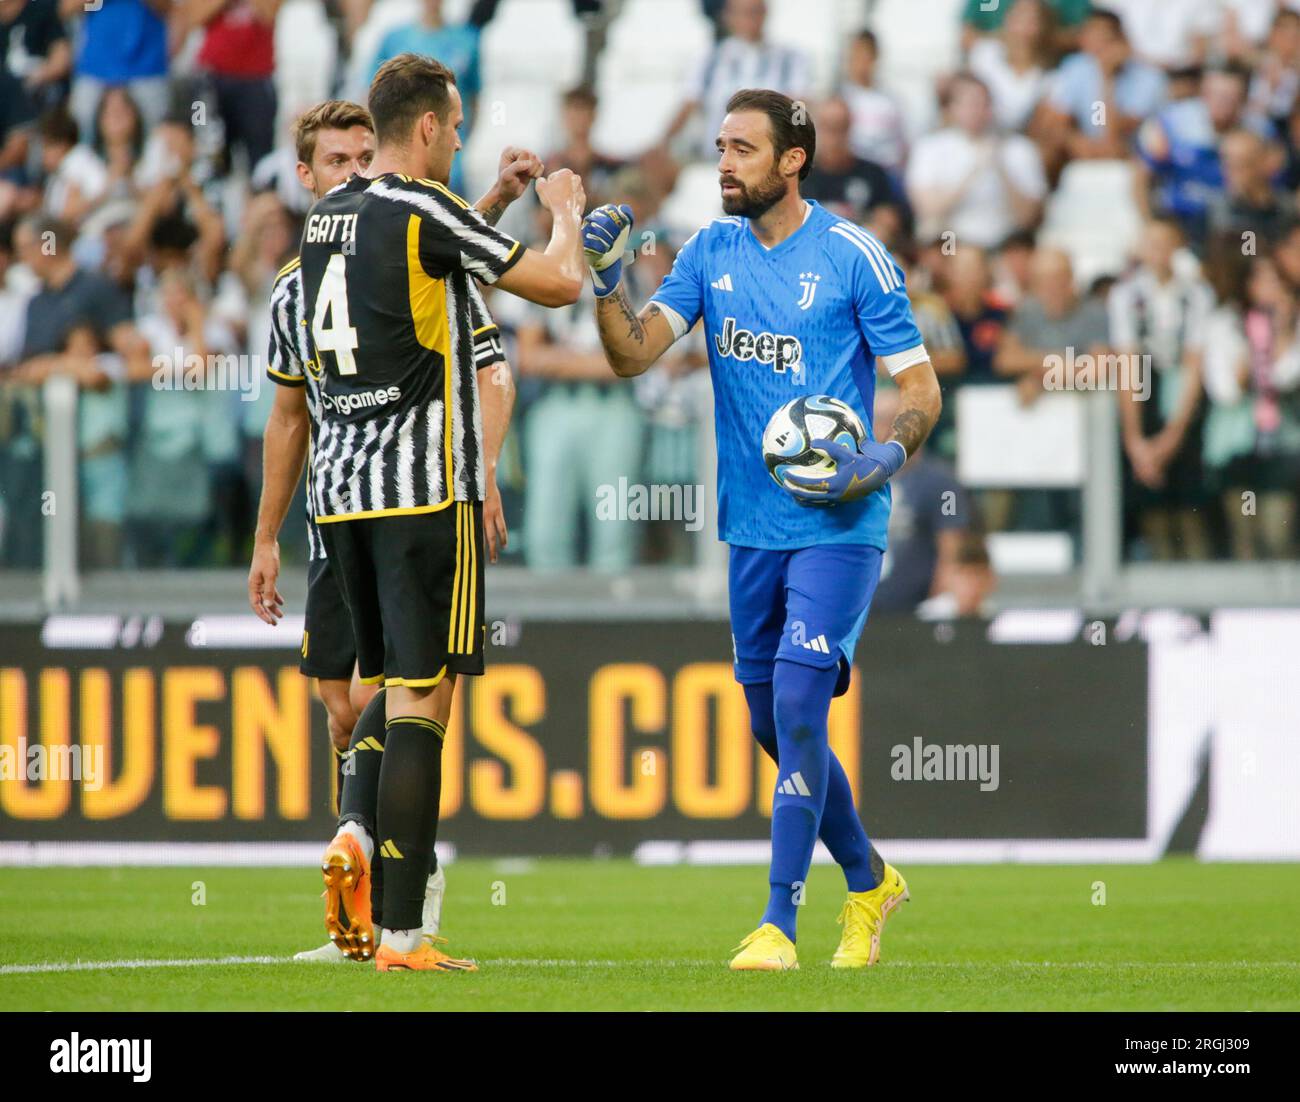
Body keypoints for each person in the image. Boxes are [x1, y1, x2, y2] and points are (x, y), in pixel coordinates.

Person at [582, 88, 941, 970]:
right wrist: (605, 281)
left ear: (792, 160)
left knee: (795, 704)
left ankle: (778, 922)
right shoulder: (709, 252)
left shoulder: (856, 257)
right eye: (719, 146)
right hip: (749, 528)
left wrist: (884, 462)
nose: (723, 163)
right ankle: (870, 881)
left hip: (840, 522)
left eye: (743, 148)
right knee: (778, 728)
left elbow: (921, 390)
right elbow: (632, 355)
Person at [291, 54, 585, 972]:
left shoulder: (325, 220)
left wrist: (488, 202)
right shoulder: (421, 202)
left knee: (389, 690)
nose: (458, 140)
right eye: (453, 127)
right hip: (423, 490)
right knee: (425, 702)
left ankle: (353, 827)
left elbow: (430, 267)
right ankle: (404, 931)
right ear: (424, 128)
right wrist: (567, 213)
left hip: (339, 498)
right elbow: (558, 285)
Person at [248, 99, 532, 961]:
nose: (355, 172)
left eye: (365, 155)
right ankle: (386, 877)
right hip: (398, 509)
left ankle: (361, 858)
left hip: (337, 513)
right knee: (400, 703)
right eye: (337, 160)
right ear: (306, 176)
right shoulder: (323, 277)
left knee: (364, 708)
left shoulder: (297, 282)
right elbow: (489, 357)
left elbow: (289, 418)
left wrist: (267, 538)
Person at [906, 72, 1047, 250]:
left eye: (983, 103)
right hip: (951, 243)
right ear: (951, 108)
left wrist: (1001, 169)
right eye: (969, 104)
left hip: (1005, 244)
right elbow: (928, 209)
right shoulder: (929, 147)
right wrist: (972, 172)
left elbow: (1028, 217)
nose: (977, 111)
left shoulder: (1019, 149)